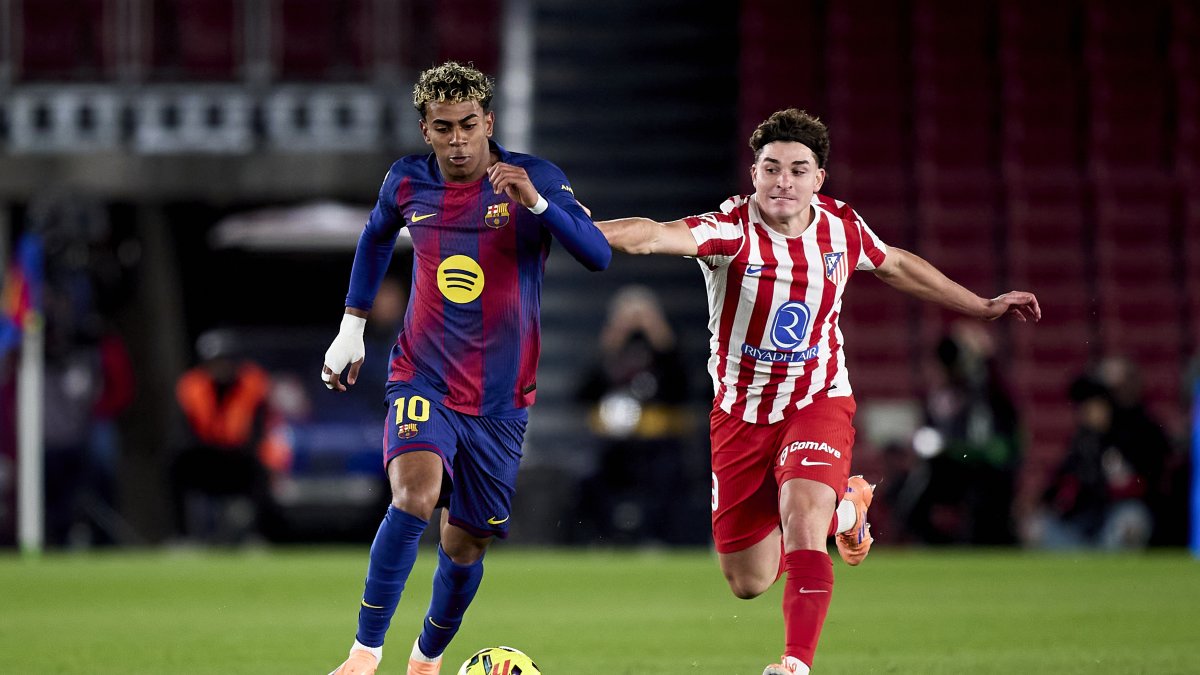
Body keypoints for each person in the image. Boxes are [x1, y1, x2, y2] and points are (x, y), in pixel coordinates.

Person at [595, 108, 1040, 675]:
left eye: (798, 170)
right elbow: (652, 235)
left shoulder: (842, 227)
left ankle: (794, 663)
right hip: (742, 416)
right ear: (753, 174)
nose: (784, 181)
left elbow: (895, 264)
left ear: (818, 179)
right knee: (748, 580)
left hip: (817, 400)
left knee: (801, 515)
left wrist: (980, 305)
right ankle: (845, 510)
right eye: (772, 168)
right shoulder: (730, 230)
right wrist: (583, 231)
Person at [321, 61, 610, 675]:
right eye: (443, 127)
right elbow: (375, 238)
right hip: (422, 375)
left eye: (468, 126)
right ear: (425, 130)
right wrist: (352, 327)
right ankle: (364, 652)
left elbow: (597, 255)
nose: (457, 141)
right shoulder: (406, 183)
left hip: (503, 400)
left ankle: (426, 659)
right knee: (414, 495)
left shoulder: (537, 178)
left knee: (465, 543)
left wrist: (535, 202)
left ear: (490, 122)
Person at [574, 285, 694, 544]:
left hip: (657, 440)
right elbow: (583, 392)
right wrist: (611, 341)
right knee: (590, 475)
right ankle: (600, 537)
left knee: (667, 476)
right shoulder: (607, 352)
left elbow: (682, 388)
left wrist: (658, 333)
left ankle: (660, 537)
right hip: (612, 440)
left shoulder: (665, 352)